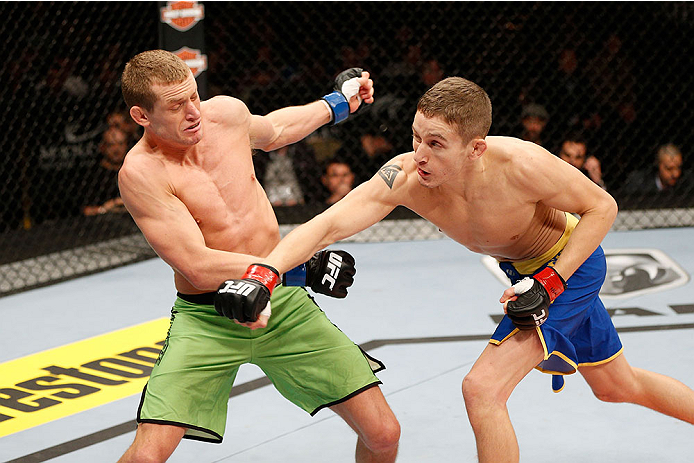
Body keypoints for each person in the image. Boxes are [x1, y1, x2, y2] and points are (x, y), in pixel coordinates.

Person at [222, 77, 694, 462]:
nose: (420, 154)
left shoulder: (521, 165)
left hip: (569, 267)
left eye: (436, 144)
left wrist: (550, 282)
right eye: (415, 137)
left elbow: (602, 208)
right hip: (525, 275)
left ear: (476, 149)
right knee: (617, 386)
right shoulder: (406, 176)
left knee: (482, 390)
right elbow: (324, 226)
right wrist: (264, 274)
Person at [116, 50, 400, 463]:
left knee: (384, 434)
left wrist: (338, 102)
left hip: (282, 305)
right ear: (142, 116)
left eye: (194, 96)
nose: (193, 111)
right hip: (209, 317)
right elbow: (195, 264)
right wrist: (296, 270)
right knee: (146, 457)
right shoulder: (141, 173)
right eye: (176, 106)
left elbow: (276, 128)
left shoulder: (225, 114)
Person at [81, 126, 128, 216]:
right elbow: (86, 210)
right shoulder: (92, 175)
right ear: (102, 147)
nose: (117, 149)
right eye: (111, 145)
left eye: (120, 144)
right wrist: (104, 208)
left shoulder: (133, 170)